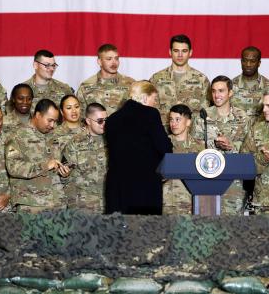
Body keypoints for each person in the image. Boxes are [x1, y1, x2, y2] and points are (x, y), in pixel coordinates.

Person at [105, 80, 173, 214]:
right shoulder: (150, 114)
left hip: (117, 187)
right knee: (146, 231)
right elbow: (164, 146)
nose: (155, 103)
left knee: (118, 232)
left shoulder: (112, 119)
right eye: (154, 99)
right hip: (144, 187)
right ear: (144, 97)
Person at [193, 75, 250, 214]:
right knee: (206, 224)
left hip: (234, 182)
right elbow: (195, 148)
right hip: (207, 179)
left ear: (230, 93)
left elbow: (249, 150)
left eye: (221, 91)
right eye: (213, 91)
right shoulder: (203, 116)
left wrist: (231, 147)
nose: (216, 95)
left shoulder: (243, 117)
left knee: (232, 225)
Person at [5, 99, 70, 213]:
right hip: (31, 204)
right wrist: (45, 166)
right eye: (49, 120)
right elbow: (13, 167)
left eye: (55, 121)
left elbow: (56, 166)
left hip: (57, 203)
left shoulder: (54, 136)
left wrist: (64, 174)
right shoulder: (17, 136)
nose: (52, 125)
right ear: (38, 115)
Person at [150, 34, 210, 123]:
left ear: (190, 52)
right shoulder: (156, 79)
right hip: (162, 132)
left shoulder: (201, 80)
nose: (180, 55)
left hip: (192, 133)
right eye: (176, 51)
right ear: (170, 52)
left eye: (184, 51)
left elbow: (206, 111)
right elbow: (149, 110)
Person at [63, 103, 108, 213]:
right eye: (100, 121)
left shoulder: (114, 140)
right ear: (88, 121)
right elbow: (68, 178)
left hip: (110, 204)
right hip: (85, 207)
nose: (104, 124)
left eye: (106, 120)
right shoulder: (75, 143)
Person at [163, 104, 203, 215]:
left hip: (189, 204)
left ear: (188, 122)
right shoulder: (162, 143)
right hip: (165, 203)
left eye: (178, 119)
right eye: (171, 120)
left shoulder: (199, 147)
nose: (173, 123)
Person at [77, 44, 135, 115]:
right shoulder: (86, 86)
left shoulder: (131, 84)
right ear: (99, 62)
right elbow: (81, 118)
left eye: (116, 58)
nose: (114, 63)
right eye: (109, 59)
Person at [230, 46, 269, 120]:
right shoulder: (230, 86)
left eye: (253, 61)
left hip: (261, 130)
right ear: (241, 61)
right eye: (245, 60)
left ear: (259, 63)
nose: (248, 64)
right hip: (236, 130)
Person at [52, 94, 84, 158]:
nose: (74, 111)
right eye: (69, 108)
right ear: (62, 112)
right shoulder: (55, 134)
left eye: (76, 106)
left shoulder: (88, 128)